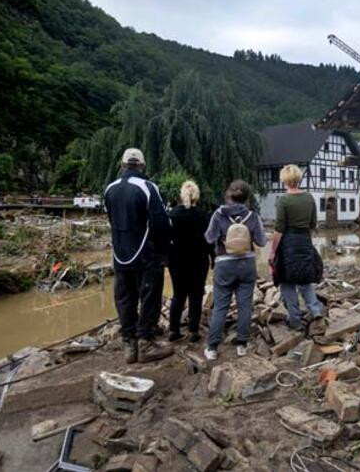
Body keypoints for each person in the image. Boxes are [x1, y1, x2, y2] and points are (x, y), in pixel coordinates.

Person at [104, 148, 174, 364]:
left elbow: (112, 221)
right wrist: (163, 251)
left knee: (124, 298)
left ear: (122, 165)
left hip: (121, 254)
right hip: (146, 255)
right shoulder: (147, 187)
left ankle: (129, 344)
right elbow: (161, 223)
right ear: (142, 166)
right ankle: (146, 342)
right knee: (149, 296)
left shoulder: (110, 189)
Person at [203, 180, 266, 360]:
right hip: (247, 264)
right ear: (246, 197)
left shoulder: (218, 214)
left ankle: (213, 348)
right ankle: (242, 345)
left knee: (221, 306)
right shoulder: (253, 216)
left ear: (228, 195)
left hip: (224, 264)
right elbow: (261, 242)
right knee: (245, 305)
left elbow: (209, 238)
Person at [269, 165, 324, 330]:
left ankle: (294, 319)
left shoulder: (283, 200)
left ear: (284, 180)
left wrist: (272, 251)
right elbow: (313, 224)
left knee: (287, 281)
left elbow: (279, 229)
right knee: (305, 278)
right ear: (299, 178)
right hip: (305, 241)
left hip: (288, 244)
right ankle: (315, 311)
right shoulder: (309, 198)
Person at [167, 180, 214, 343]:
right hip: (198, 260)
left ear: (181, 195)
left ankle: (173, 330)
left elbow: (166, 239)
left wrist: (166, 258)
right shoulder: (203, 216)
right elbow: (209, 241)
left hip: (177, 261)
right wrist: (213, 258)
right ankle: (193, 331)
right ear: (197, 196)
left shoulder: (172, 215)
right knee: (196, 295)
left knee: (178, 295)